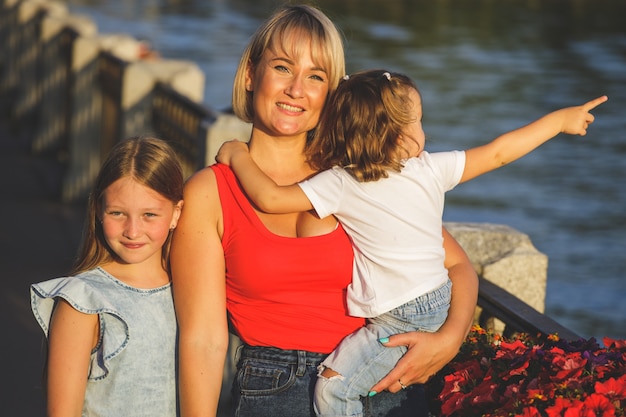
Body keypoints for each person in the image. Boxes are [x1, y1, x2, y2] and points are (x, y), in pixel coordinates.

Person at [216, 69, 608, 416]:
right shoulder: (427, 170)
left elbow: (269, 198)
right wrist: (559, 121)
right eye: (420, 121)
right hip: (433, 300)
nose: (426, 132)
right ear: (399, 134)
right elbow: (500, 152)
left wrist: (236, 154)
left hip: (402, 316)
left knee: (334, 389)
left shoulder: (342, 182)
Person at [170, 5, 479, 417]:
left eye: (315, 76)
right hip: (271, 393)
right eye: (282, 67)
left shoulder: (361, 173)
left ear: (330, 92)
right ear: (250, 74)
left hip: (380, 381)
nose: (297, 89)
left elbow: (457, 268)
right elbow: (203, 339)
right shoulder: (210, 192)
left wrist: (449, 339)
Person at [30, 136, 184, 417]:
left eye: (149, 214)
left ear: (176, 213)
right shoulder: (81, 301)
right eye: (117, 213)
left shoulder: (189, 292)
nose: (133, 231)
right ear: (99, 210)